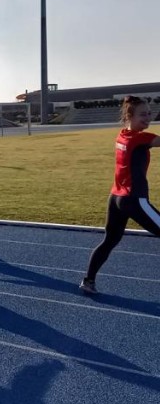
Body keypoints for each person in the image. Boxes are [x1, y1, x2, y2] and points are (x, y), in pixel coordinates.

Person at [81, 96, 160, 294]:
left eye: (149, 114)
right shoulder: (139, 138)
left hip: (116, 198)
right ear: (129, 116)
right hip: (134, 199)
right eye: (143, 115)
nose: (148, 118)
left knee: (110, 241)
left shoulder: (122, 135)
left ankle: (88, 281)